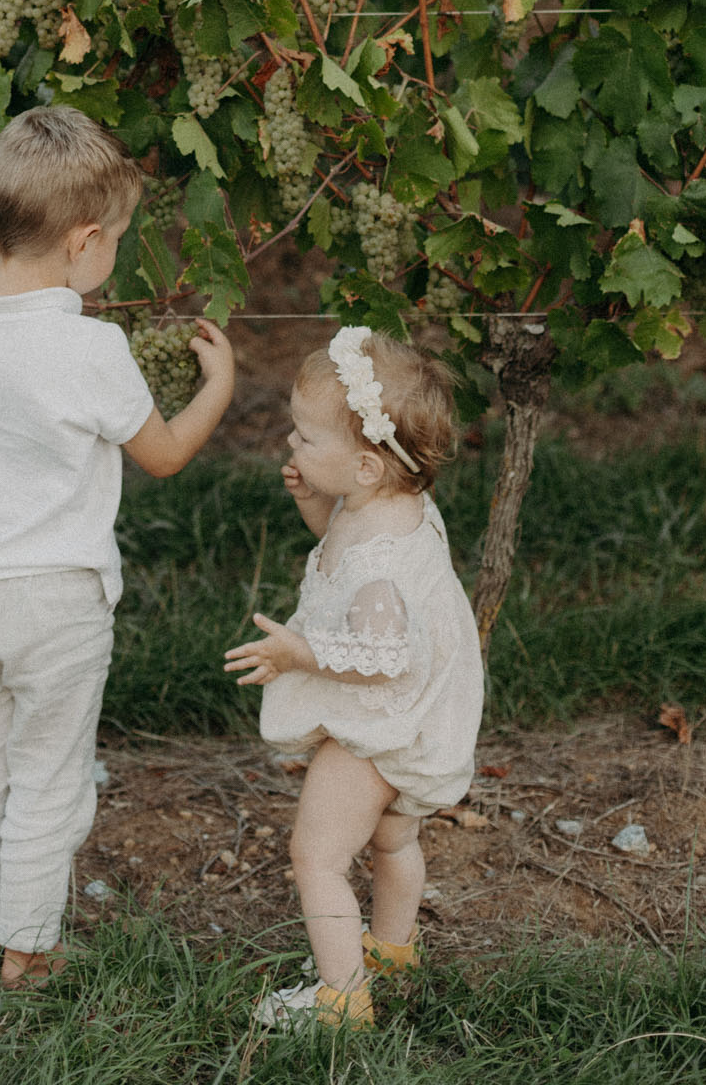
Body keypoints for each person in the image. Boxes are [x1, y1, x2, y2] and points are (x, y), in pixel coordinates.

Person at [0, 105, 234, 991]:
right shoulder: (92, 346)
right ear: (83, 242)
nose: (114, 251)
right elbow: (164, 455)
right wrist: (218, 386)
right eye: (115, 236)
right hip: (59, 603)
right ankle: (28, 953)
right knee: (48, 781)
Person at [224, 326, 483, 1031]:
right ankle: (393, 955)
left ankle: (342, 1002)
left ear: (367, 466)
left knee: (315, 855)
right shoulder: (394, 508)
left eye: (307, 439)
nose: (291, 446)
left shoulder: (377, 576)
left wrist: (298, 655)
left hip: (377, 725)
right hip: (421, 719)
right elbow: (338, 535)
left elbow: (377, 656)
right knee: (393, 839)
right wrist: (315, 501)